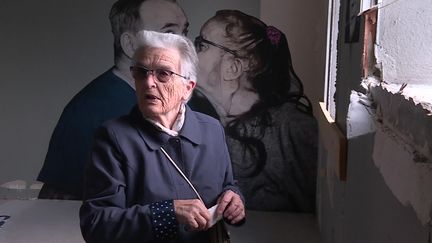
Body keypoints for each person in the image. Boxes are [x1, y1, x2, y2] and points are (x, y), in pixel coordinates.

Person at [79, 30, 245, 243]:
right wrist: (167, 213)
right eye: (141, 72)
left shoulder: (212, 129)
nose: (149, 82)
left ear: (187, 88)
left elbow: (228, 184)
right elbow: (96, 224)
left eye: (163, 73)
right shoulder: (113, 137)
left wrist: (234, 200)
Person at [37, 0, 189, 199]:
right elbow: (59, 206)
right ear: (131, 45)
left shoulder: (186, 101)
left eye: (184, 32)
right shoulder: (87, 113)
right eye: (169, 33)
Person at [189, 10, 318, 212]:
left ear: (232, 68)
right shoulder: (201, 120)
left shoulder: (291, 128)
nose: (190, 51)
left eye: (201, 44)